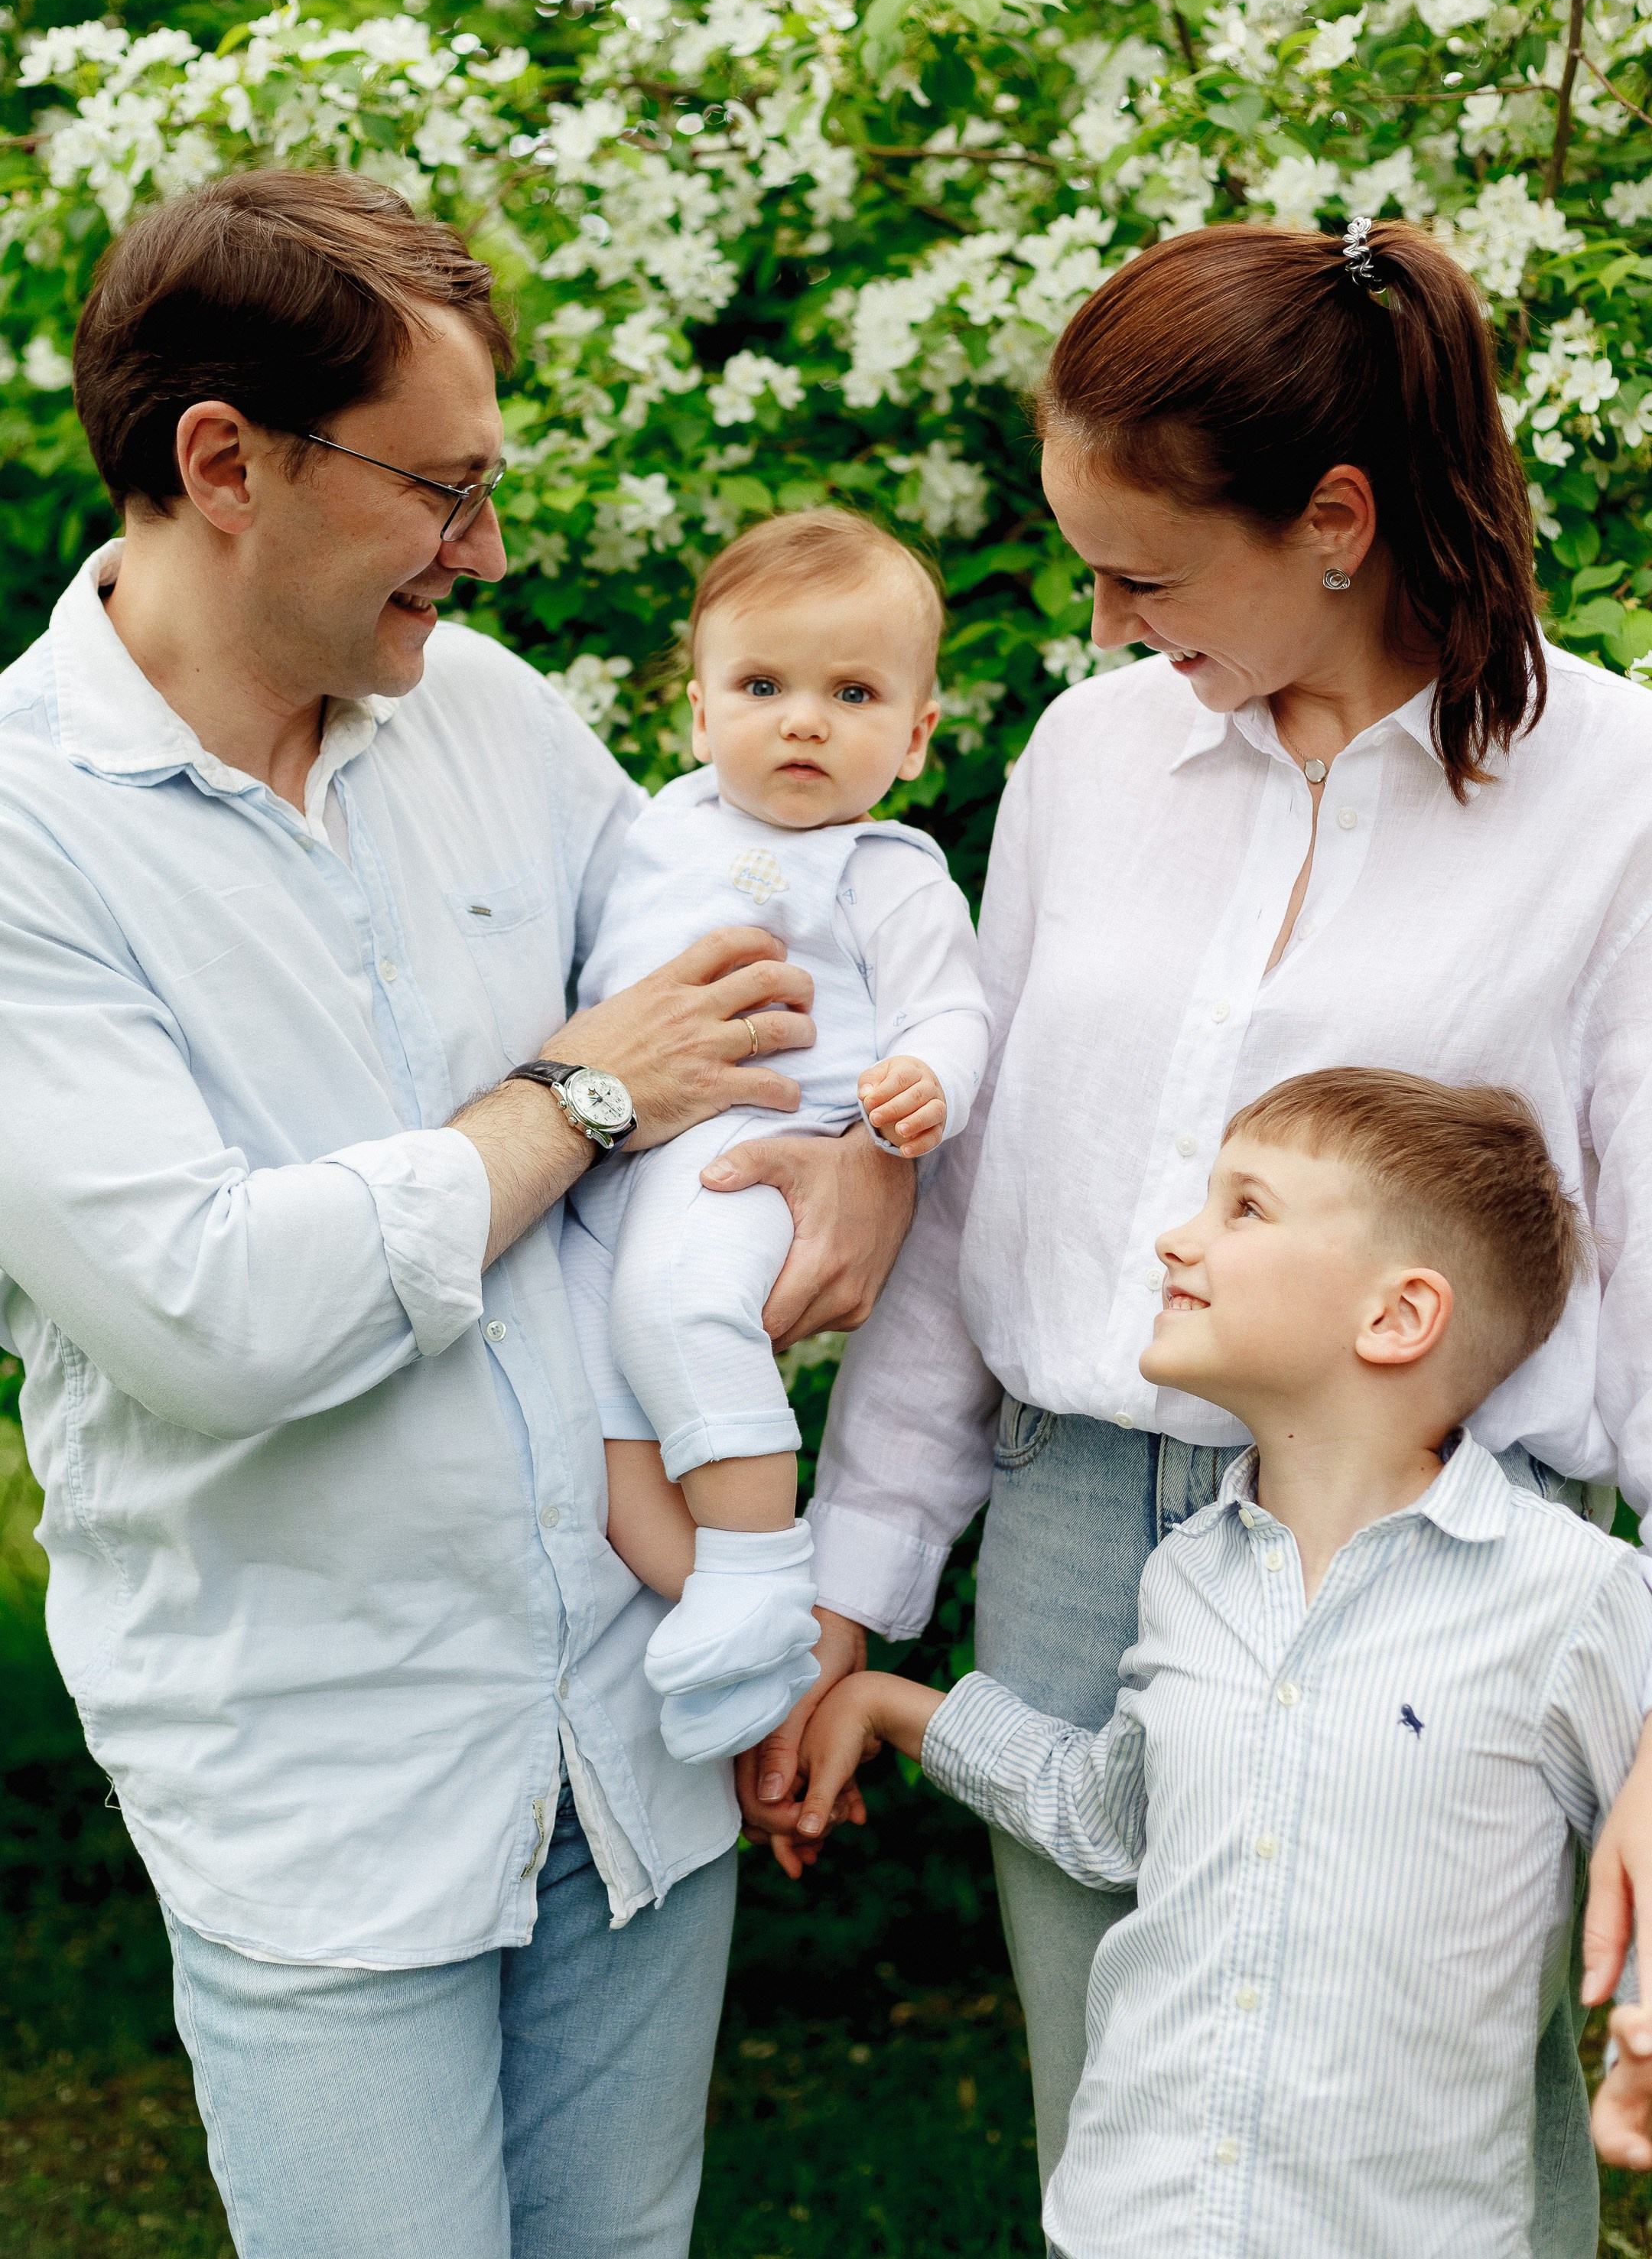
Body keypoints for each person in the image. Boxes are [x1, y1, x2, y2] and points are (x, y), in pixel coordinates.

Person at [0, 168, 914, 2259]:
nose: (485, 549)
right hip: (325, 1786)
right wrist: (580, 1098)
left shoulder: (489, 711)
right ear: (223, 465)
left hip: (631, 1738)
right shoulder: (22, 836)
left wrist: (859, 1136)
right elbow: (217, 1313)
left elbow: (742, 985)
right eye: (441, 490)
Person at [737, 216, 1652, 2257]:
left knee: (1423, 2153)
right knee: (1138, 2141)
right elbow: (981, 1197)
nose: (1103, 612)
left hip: (1440, 1566)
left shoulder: (1612, 789)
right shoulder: (1094, 756)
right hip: (1074, 1548)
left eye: (1143, 570)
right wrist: (856, 1596)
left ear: (1335, 519)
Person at [795, 1069, 1652, 2257]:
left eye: (1245, 1209)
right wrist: (892, 1705)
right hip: (1134, 2227)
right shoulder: (1189, 1580)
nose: (1174, 1238)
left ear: (1398, 1317)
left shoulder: (1571, 1599)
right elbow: (1114, 1813)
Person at [561, 509, 990, 1767]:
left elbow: (954, 1009)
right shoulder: (657, 830)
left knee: (682, 1310)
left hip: (764, 1139)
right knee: (597, 1419)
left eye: (851, 693)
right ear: (698, 718)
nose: (803, 719)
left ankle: (758, 1563)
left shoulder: (887, 869)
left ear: (914, 738)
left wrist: (923, 1084)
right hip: (609, 1166)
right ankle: (739, 1650)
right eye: (761, 685)